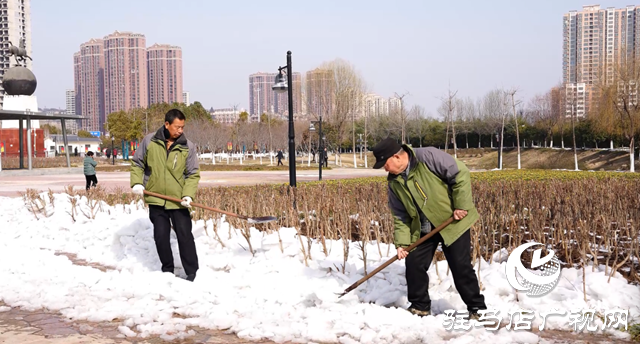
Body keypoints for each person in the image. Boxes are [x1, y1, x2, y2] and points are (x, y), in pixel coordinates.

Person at [371, 137, 487, 318]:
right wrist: (402, 243)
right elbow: (400, 214)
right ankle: (420, 306)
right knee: (414, 263)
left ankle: (477, 308)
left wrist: (461, 205)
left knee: (460, 265)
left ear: (396, 157)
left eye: (385, 164)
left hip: (452, 221)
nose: (384, 169)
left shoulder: (428, 156)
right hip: (424, 228)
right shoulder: (394, 182)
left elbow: (460, 173)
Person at [130, 109, 201, 282]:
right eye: (177, 127)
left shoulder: (187, 146)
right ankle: (167, 270)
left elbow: (192, 173)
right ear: (167, 124)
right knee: (160, 236)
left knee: (185, 235)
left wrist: (188, 196)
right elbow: (137, 163)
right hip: (156, 198)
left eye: (182, 127)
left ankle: (192, 272)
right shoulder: (150, 141)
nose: (180, 131)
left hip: (178, 201)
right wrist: (137, 183)